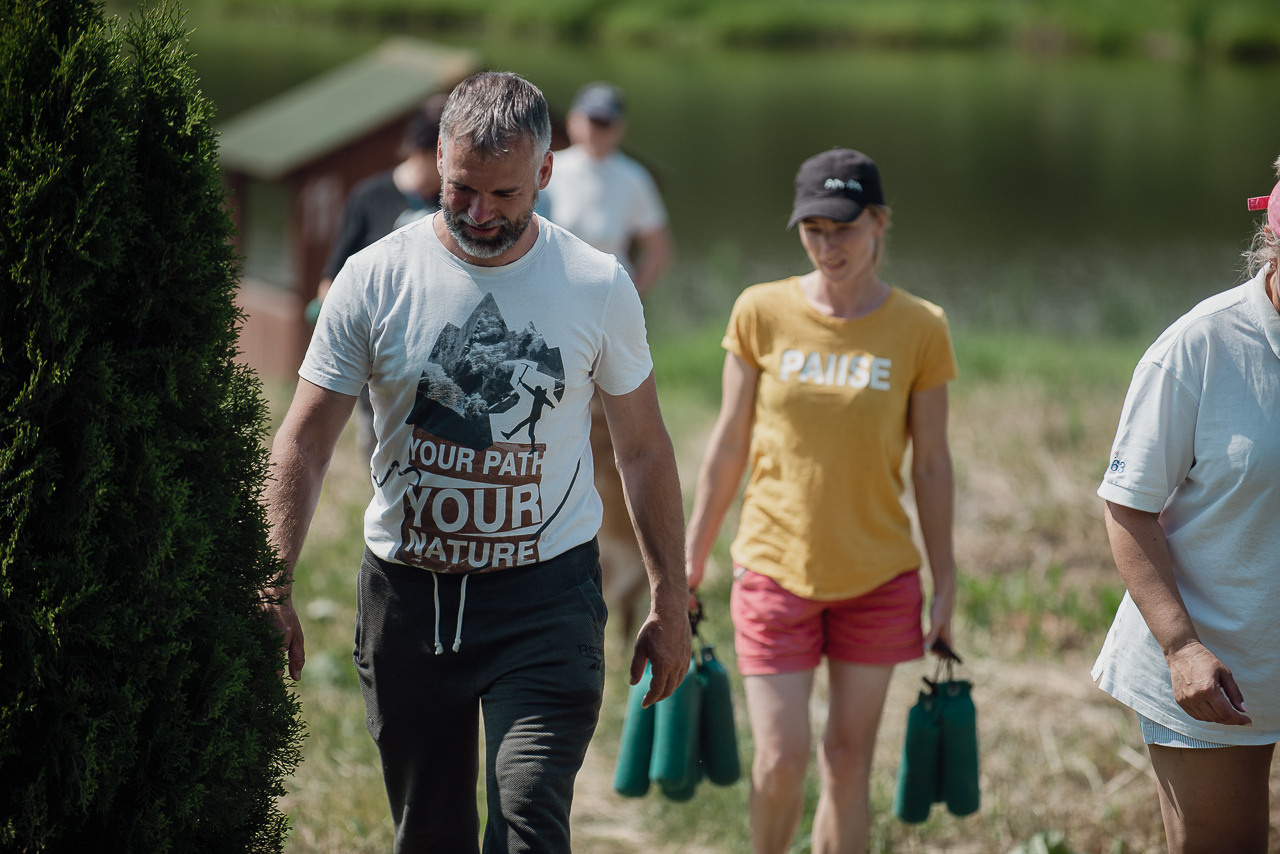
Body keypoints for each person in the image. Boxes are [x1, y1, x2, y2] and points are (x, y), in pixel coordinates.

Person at [260, 71, 691, 854]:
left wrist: (671, 595)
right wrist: (272, 576)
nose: (478, 213)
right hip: (407, 601)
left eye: (502, 194)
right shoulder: (375, 278)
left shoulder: (595, 285)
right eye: (460, 189)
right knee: (432, 835)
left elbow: (643, 446)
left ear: (546, 174)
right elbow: (305, 438)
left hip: (545, 601)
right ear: (437, 160)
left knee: (529, 824)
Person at [684, 148, 959, 853]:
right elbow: (727, 445)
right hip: (775, 565)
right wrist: (688, 558)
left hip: (878, 575)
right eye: (813, 229)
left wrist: (945, 578)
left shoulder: (921, 326)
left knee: (847, 762)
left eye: (842, 228)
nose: (828, 245)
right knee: (781, 761)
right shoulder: (761, 311)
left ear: (878, 222)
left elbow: (931, 465)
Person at [1091, 157, 1280, 854]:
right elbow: (1127, 507)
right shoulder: (1200, 347)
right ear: (1272, 240)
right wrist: (1181, 646)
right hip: (1213, 668)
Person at [543, 81, 674, 639]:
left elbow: (659, 246)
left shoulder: (632, 178)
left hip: (602, 323)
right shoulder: (549, 168)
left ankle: (626, 570)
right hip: (549, 319)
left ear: (618, 127)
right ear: (572, 121)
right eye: (588, 120)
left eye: (606, 122)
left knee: (616, 435)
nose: (596, 130)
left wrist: (632, 294)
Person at [309, 95, 448, 459]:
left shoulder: (454, 207)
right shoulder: (370, 196)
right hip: (379, 355)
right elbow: (331, 280)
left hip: (435, 364)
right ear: (428, 150)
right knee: (383, 458)